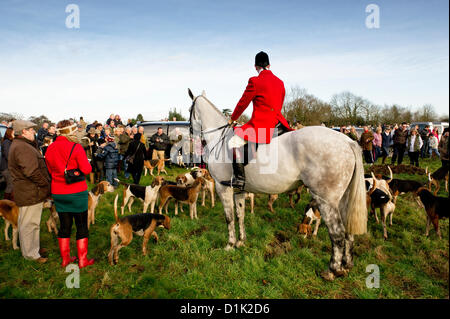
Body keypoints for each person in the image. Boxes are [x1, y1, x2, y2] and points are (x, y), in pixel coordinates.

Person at [220, 51, 293, 189]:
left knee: (233, 142)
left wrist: (233, 118)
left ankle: (240, 179)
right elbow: (280, 102)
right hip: (278, 123)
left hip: (262, 125)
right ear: (269, 65)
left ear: (255, 67)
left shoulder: (255, 81)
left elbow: (243, 103)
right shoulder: (280, 82)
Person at [45, 120, 94, 269]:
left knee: (64, 226)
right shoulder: (76, 147)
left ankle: (65, 259)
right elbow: (86, 169)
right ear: (70, 132)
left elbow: (49, 169)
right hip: (76, 192)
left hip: (58, 192)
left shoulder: (50, 148)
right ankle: (82, 260)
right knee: (81, 226)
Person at [8, 120, 51, 263]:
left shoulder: (23, 145)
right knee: (29, 224)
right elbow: (32, 172)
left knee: (31, 223)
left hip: (30, 192)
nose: (34, 131)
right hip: (30, 192)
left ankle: (33, 248)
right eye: (31, 129)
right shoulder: (22, 147)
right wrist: (46, 185)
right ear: (24, 131)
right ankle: (31, 255)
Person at [1, 128, 14, 200]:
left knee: (11, 185)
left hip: (8, 167)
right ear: (9, 133)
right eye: (13, 133)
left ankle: (9, 202)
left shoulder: (10, 142)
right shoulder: (6, 142)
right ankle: (5, 203)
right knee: (10, 185)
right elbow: (8, 155)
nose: (14, 134)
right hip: (6, 168)